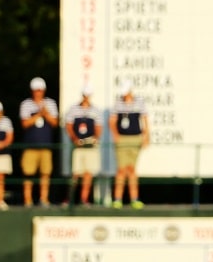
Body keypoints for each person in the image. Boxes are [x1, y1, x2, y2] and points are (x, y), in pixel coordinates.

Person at [18, 77, 59, 207]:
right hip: (30, 145)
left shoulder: (51, 104)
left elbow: (54, 123)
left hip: (45, 145)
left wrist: (46, 114)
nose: (38, 93)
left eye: (40, 90)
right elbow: (25, 123)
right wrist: (39, 114)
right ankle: (28, 200)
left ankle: (44, 199)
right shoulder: (26, 104)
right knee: (28, 173)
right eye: (36, 90)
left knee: (45, 173)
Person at [109, 80, 150, 209]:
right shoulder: (118, 103)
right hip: (122, 139)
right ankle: (117, 199)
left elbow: (144, 119)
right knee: (121, 170)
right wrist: (116, 135)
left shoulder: (139, 102)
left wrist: (146, 136)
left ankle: (134, 199)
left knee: (132, 169)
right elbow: (112, 121)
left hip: (135, 139)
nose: (125, 95)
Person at [63, 85, 102, 207]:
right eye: (85, 95)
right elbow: (68, 126)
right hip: (78, 146)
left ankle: (84, 199)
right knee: (75, 173)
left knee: (88, 173)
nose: (86, 98)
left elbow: (98, 128)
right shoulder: (73, 109)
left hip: (90, 146)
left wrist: (95, 138)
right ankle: (70, 199)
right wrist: (74, 139)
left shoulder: (95, 110)